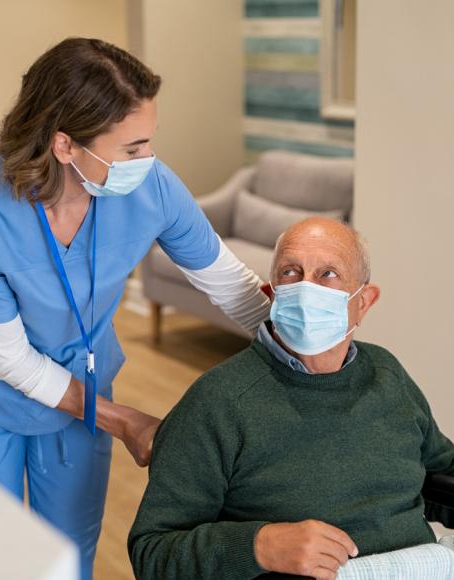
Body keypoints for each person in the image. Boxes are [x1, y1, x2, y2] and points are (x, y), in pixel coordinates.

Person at [0, 38, 270, 579]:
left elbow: (231, 286)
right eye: (132, 147)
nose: (147, 161)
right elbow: (11, 362)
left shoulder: (150, 186)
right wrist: (122, 419)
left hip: (81, 378)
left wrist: (301, 345)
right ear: (65, 145)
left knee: (68, 551)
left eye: (149, 142)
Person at [128, 217, 454, 580]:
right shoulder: (218, 402)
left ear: (364, 301)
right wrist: (258, 546)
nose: (306, 289)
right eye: (290, 272)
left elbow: (441, 472)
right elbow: (152, 553)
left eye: (328, 273)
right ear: (271, 294)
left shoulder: (386, 373)